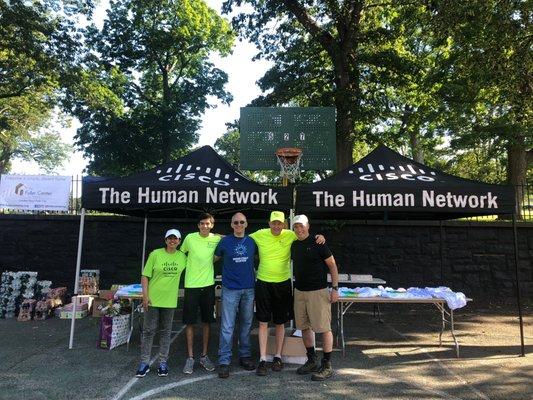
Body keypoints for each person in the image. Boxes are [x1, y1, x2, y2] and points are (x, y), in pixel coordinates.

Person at [249, 211, 324, 376]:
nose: (276, 226)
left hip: (283, 284)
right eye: (273, 223)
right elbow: (240, 237)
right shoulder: (260, 234)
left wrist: (319, 236)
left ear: (284, 224)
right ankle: (262, 359)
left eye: (279, 223)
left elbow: (306, 235)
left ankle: (277, 357)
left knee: (280, 322)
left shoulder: (291, 235)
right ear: (269, 223)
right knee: (262, 322)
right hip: (262, 282)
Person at [291, 215, 339, 381]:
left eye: (301, 226)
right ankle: (312, 360)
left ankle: (327, 365)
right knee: (304, 327)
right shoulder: (294, 244)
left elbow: (332, 265)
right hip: (299, 292)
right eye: (296, 226)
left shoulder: (319, 243)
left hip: (318, 292)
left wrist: (335, 289)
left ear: (308, 226)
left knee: (324, 328)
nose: (299, 229)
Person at [135, 229, 187, 378]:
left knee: (166, 332)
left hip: (169, 301)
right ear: (165, 240)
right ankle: (144, 363)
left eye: (175, 239)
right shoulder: (155, 254)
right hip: (152, 300)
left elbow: (199, 263)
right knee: (148, 331)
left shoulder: (183, 257)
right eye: (169, 238)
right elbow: (145, 276)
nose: (172, 241)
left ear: (179, 241)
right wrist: (145, 296)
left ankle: (163, 362)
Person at [214, 212, 257, 378]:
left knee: (246, 324)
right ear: (231, 225)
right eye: (236, 223)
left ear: (246, 224)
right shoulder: (224, 242)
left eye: (242, 222)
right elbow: (214, 259)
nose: (239, 225)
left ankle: (244, 356)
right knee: (227, 326)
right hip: (230, 288)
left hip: (248, 288)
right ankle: (224, 360)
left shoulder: (253, 242)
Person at [180, 213, 221, 374]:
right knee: (189, 322)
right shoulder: (189, 238)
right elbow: (180, 254)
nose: (204, 226)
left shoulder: (216, 239)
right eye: (202, 223)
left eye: (208, 224)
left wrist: (217, 236)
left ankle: (204, 356)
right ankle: (190, 358)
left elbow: (228, 238)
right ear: (198, 225)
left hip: (208, 287)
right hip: (191, 286)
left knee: (207, 322)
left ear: (212, 225)